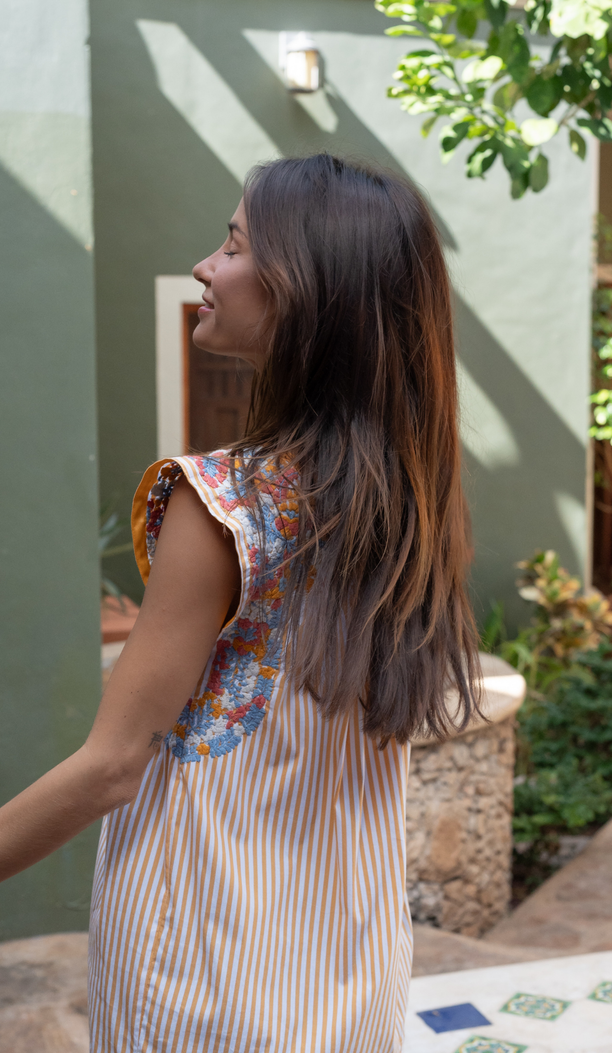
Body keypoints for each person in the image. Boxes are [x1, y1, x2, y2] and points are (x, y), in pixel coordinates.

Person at [0, 154, 482, 1052]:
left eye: (231, 244)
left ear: (304, 289)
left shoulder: (221, 503)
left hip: (206, 987)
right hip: (349, 982)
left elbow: (114, 765)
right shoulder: (416, 510)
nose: (205, 267)